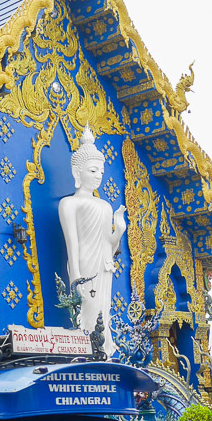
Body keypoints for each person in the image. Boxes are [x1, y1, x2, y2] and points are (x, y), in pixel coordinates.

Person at [58, 125, 126, 351]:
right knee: (87, 309)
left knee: (103, 310)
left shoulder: (105, 205)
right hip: (85, 265)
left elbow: (110, 243)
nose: (98, 177)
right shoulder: (69, 203)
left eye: (101, 172)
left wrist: (119, 229)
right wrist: (76, 277)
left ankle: (104, 347)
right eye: (92, 171)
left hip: (104, 266)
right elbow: (72, 243)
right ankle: (88, 348)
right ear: (77, 173)